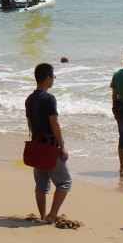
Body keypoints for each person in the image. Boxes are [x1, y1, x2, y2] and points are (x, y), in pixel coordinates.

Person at [25, 63, 71, 223]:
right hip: (50, 146)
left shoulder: (29, 99)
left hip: (37, 145)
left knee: (41, 186)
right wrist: (62, 146)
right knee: (65, 182)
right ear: (47, 79)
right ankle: (52, 215)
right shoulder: (49, 99)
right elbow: (54, 124)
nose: (53, 80)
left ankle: (43, 215)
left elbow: (30, 125)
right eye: (53, 77)